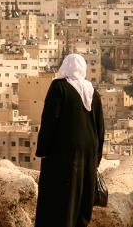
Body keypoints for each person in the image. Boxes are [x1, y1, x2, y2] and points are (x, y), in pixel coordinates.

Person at [35, 54, 105, 227]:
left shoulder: (59, 87)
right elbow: (100, 128)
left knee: (60, 199)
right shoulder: (92, 91)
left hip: (63, 152)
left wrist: (43, 149)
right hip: (88, 151)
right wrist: (96, 158)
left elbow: (50, 119)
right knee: (81, 197)